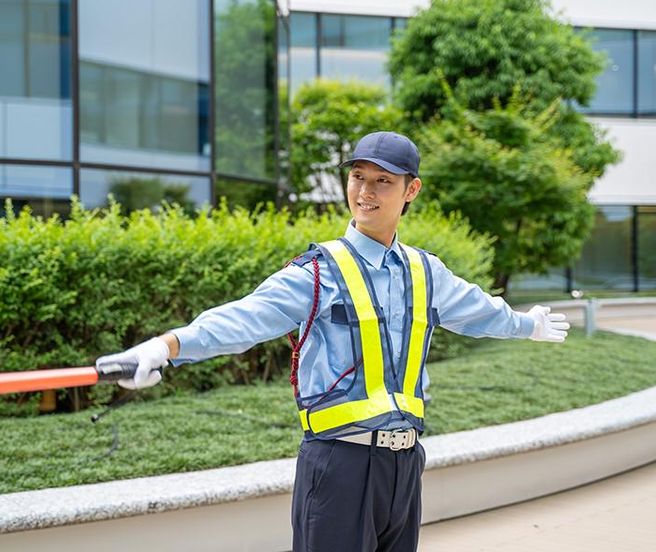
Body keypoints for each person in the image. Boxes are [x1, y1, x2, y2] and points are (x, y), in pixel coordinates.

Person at [95, 131, 570, 552]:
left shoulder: (426, 271)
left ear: (411, 190)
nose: (365, 192)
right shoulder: (319, 271)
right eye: (358, 178)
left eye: (382, 181)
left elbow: (479, 311)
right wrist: (164, 347)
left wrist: (528, 325)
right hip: (339, 465)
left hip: (405, 465)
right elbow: (243, 318)